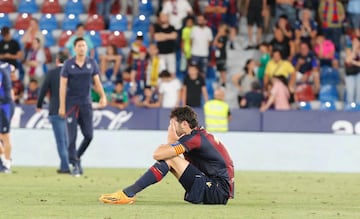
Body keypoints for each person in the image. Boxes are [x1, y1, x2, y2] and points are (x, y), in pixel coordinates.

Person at [99, 106, 234, 205]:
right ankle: (128, 193)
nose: (172, 127)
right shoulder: (197, 136)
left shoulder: (193, 139)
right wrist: (172, 142)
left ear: (185, 124)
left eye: (174, 124)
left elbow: (158, 154)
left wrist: (170, 137)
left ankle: (128, 193)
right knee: (170, 158)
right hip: (215, 188)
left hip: (217, 191)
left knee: (170, 159)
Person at [59, 37, 107, 177]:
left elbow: (97, 83)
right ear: (74, 48)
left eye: (84, 45)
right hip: (71, 104)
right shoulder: (68, 64)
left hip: (86, 103)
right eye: (79, 45)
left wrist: (103, 96)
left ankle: (77, 157)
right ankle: (75, 165)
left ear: (87, 48)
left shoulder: (92, 63)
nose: (81, 48)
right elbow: (62, 86)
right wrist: (61, 106)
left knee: (89, 135)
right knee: (71, 137)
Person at [36, 51, 70, 174]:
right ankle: (68, 165)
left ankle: (65, 167)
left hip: (56, 110)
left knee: (61, 141)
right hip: (70, 110)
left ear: (57, 61)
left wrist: (39, 104)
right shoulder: (71, 74)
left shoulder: (51, 73)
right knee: (68, 140)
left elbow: (43, 90)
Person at [0, 62, 14, 173]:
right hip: (5, 103)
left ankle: (7, 163)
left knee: (5, 136)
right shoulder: (6, 65)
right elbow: (13, 69)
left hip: (4, 105)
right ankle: (4, 158)